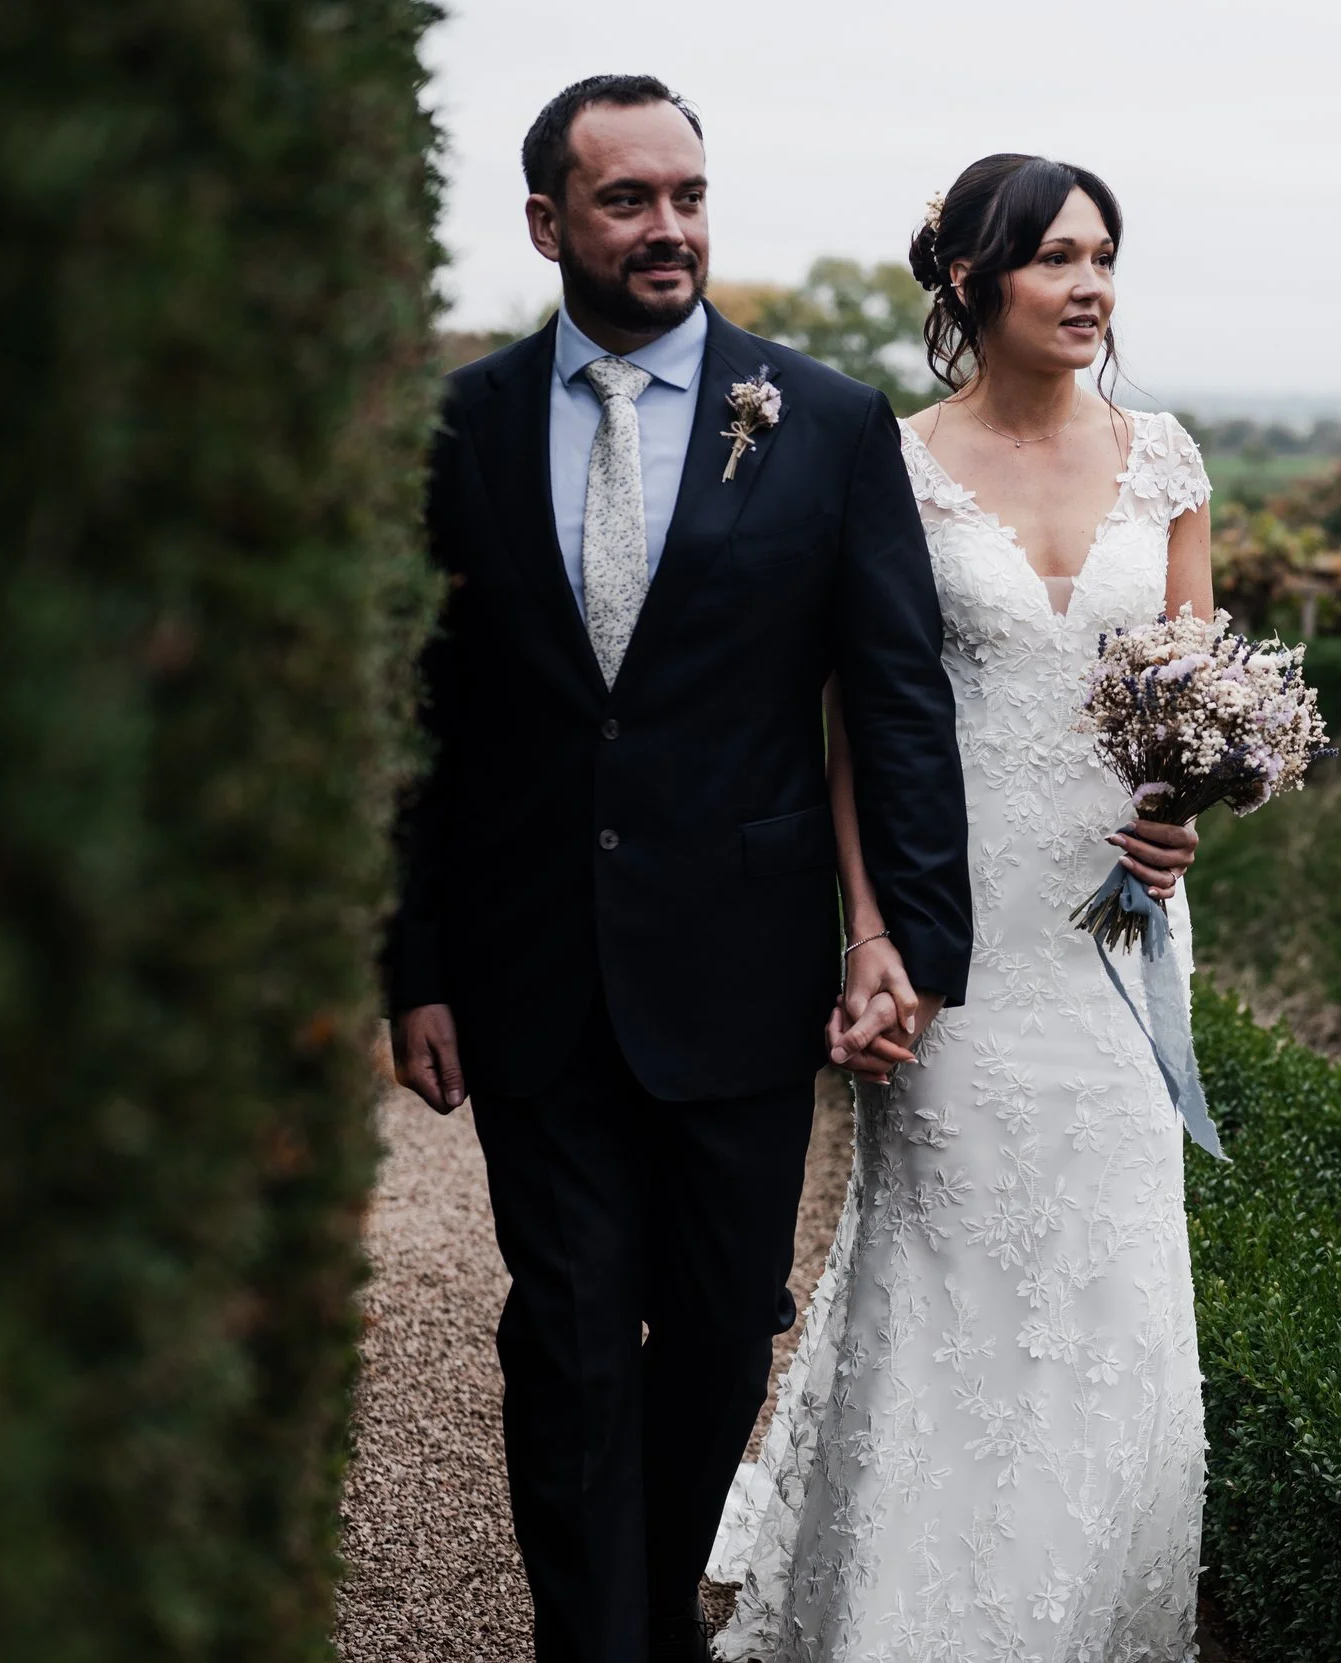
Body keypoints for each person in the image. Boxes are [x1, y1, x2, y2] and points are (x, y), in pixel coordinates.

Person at [383, 76, 974, 1663]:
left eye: (689, 196)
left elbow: (895, 688)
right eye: (630, 200)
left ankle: (655, 1609)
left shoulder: (826, 421)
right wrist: (412, 960)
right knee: (570, 1336)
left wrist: (908, 939)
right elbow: (418, 713)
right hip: (530, 965)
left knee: (719, 1339)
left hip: (744, 962)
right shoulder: (460, 428)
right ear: (547, 223)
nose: (670, 229)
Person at [712, 154, 1213, 1663]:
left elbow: (1202, 709)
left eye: (1106, 257)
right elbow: (854, 722)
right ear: (969, 282)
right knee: (947, 1259)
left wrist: (1191, 826)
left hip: (1120, 932)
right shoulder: (893, 461)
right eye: (1057, 257)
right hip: (954, 922)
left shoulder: (1172, 461)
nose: (1090, 286)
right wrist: (870, 930)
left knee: (1116, 1283)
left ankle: (1084, 1613)